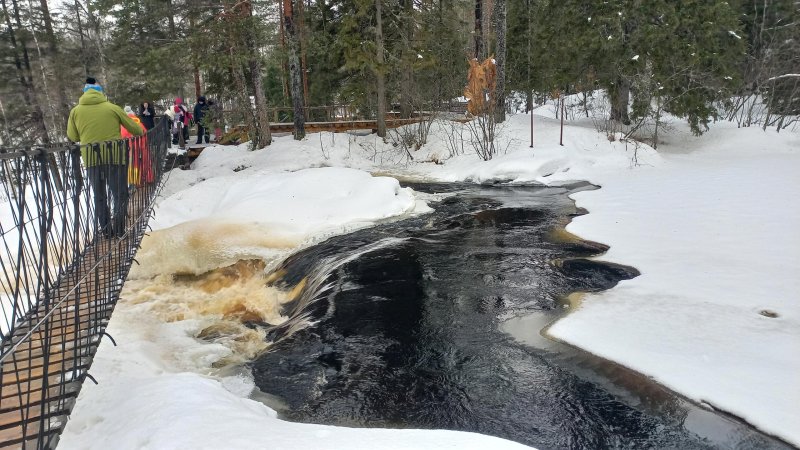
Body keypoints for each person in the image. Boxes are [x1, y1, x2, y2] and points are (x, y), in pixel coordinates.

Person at [66, 77, 144, 238]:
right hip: (115, 156)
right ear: (101, 92)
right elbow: (137, 130)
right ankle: (120, 230)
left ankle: (107, 231)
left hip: (91, 159)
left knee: (99, 196)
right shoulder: (112, 108)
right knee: (119, 194)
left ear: (84, 92)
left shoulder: (75, 112)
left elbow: (72, 136)